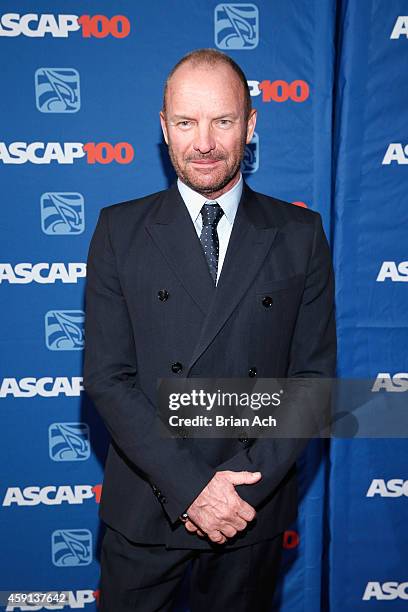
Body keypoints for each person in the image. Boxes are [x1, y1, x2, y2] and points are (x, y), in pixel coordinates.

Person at [83, 48, 336, 611]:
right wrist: (192, 487)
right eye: (186, 122)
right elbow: (107, 378)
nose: (203, 143)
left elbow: (313, 382)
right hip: (145, 513)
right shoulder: (119, 231)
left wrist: (236, 486)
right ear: (163, 127)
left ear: (250, 124)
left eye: (222, 121)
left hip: (250, 510)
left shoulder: (300, 233)